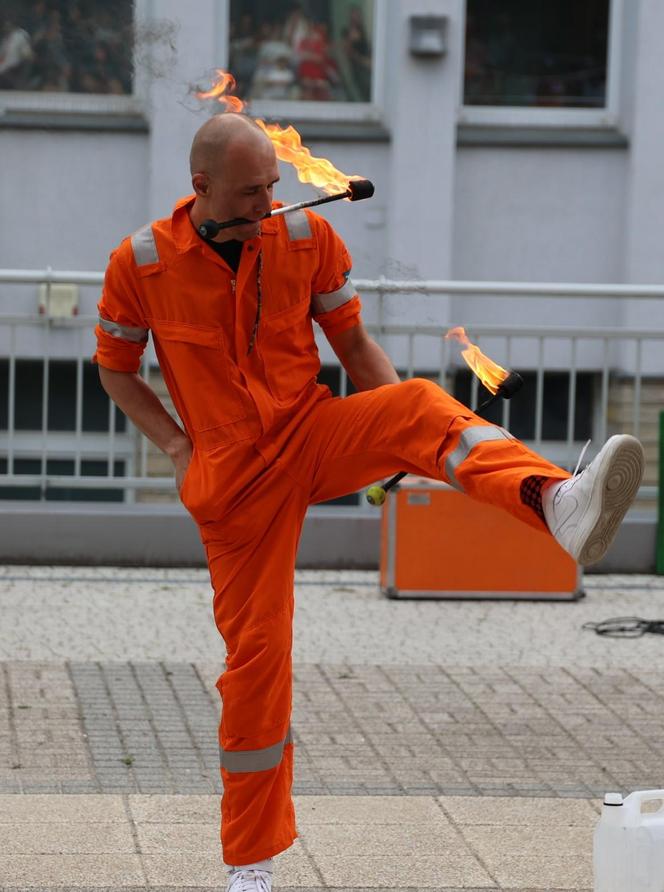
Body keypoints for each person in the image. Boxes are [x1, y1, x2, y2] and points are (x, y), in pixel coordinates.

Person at [92, 112, 644, 892]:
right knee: (257, 664)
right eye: (251, 193)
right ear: (201, 188)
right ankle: (250, 866)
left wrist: (404, 447)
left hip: (312, 432)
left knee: (420, 405)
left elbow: (352, 349)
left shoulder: (311, 240)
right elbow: (116, 369)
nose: (267, 204)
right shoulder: (139, 261)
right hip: (233, 478)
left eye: (274, 188)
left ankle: (556, 501)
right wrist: (180, 449)